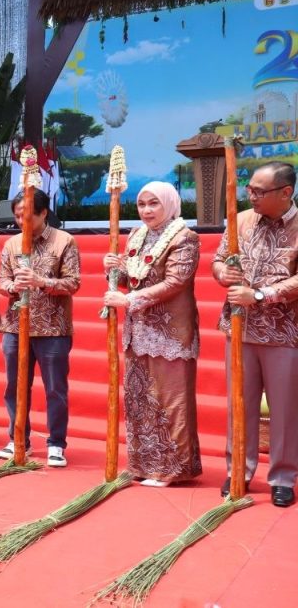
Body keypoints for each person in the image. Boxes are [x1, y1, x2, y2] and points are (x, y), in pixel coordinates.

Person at [103, 182, 202, 486]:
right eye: (142, 204)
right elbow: (132, 278)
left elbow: (175, 282)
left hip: (170, 332)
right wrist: (113, 269)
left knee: (170, 400)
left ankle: (173, 468)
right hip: (138, 330)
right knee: (140, 399)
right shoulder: (137, 235)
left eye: (154, 203)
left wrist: (129, 300)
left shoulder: (185, 238)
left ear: (169, 204)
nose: (146, 210)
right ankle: (144, 464)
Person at [212, 161, 298, 508]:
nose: (252, 196)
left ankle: (283, 477)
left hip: (284, 333)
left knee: (284, 409)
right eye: (250, 189)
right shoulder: (241, 220)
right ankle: (239, 470)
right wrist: (223, 274)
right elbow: (219, 259)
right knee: (240, 404)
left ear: (286, 192)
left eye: (259, 191)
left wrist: (261, 295)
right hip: (239, 328)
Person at [0, 188, 81, 467]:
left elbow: (73, 283)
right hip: (14, 327)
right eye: (17, 216)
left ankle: (56, 442)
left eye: (27, 216)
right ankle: (18, 438)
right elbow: (2, 281)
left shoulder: (64, 241)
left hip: (53, 328)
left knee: (55, 388)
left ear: (43, 213)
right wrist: (12, 286)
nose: (21, 222)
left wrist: (42, 282)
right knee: (14, 386)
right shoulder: (11, 244)